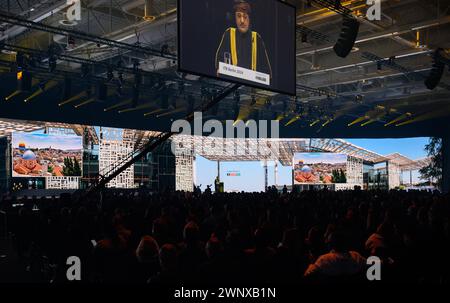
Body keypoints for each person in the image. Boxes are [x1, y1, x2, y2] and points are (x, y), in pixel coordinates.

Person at [215, 0, 272, 79]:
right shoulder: (229, 33)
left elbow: (266, 70)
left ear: (249, 19)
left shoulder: (256, 38)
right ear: (234, 18)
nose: (242, 21)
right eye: (238, 16)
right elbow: (220, 61)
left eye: (245, 17)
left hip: (251, 84)